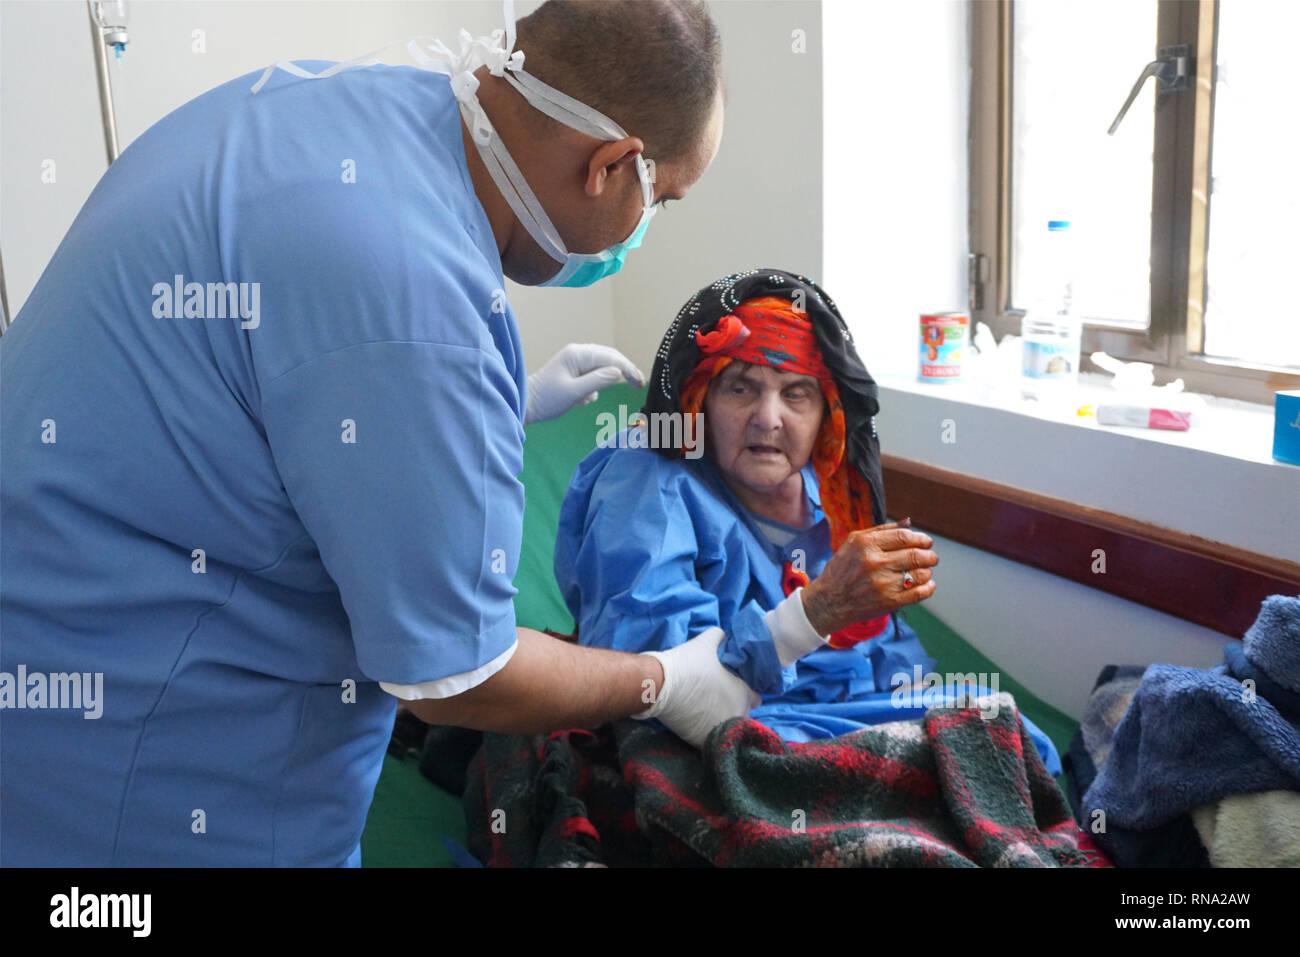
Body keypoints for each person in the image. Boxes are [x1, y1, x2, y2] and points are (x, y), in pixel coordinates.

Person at [0, 0, 756, 867]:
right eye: (662, 197)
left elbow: (271, 381)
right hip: (151, 760)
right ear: (612, 166)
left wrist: (489, 413)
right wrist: (662, 679)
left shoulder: (341, 106)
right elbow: (460, 678)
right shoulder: (417, 303)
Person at [555, 269, 1062, 770]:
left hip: (842, 715)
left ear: (828, 414)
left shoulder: (836, 494)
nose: (768, 418)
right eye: (740, 388)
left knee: (1005, 732)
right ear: (698, 397)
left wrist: (905, 700)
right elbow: (660, 683)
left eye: (796, 393)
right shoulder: (649, 472)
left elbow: (884, 652)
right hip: (735, 730)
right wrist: (813, 613)